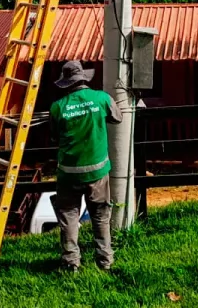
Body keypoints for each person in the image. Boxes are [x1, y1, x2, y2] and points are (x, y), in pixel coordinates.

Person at [48, 59, 123, 271]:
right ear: (83, 78)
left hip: (68, 172)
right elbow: (117, 118)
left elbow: (54, 137)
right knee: (100, 216)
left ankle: (71, 263)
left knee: (69, 216)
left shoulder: (57, 107)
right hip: (98, 171)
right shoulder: (101, 98)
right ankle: (105, 262)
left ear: (66, 83)